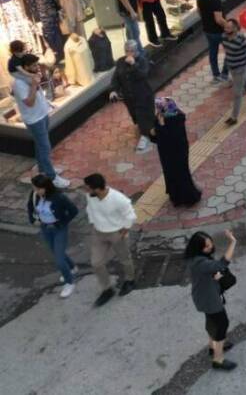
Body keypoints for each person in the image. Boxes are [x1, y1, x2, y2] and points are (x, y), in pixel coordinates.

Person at [185, 229, 238, 371]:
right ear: (198, 248)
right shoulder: (200, 262)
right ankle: (218, 359)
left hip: (203, 297)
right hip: (210, 299)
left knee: (212, 322)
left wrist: (213, 278)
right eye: (207, 246)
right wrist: (233, 242)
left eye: (210, 243)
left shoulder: (195, 258)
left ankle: (212, 346)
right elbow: (222, 264)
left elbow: (206, 273)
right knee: (221, 325)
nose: (211, 247)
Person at [11, 55, 68, 188]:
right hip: (34, 120)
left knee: (40, 146)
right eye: (34, 65)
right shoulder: (19, 83)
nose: (37, 67)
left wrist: (48, 106)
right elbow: (29, 102)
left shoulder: (32, 77)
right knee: (45, 148)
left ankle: (43, 169)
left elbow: (39, 95)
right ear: (24, 67)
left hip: (42, 115)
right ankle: (51, 177)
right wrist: (34, 85)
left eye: (37, 64)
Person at [83, 173, 137, 307]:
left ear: (97, 189)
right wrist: (93, 222)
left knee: (124, 258)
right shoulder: (90, 196)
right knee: (96, 263)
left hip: (116, 233)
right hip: (98, 233)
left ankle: (130, 280)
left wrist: (124, 230)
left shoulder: (118, 199)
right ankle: (107, 289)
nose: (86, 190)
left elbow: (130, 215)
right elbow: (90, 209)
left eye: (88, 188)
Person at [27, 174, 79, 298]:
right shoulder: (35, 194)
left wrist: (62, 222)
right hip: (45, 228)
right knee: (56, 252)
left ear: (46, 187)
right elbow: (30, 207)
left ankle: (69, 282)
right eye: (34, 188)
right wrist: (32, 220)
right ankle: (72, 267)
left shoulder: (59, 197)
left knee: (59, 259)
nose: (36, 191)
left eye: (38, 188)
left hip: (59, 229)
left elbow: (74, 211)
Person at [152, 97, 202, 207]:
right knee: (173, 174)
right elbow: (157, 138)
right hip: (169, 153)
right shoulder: (162, 116)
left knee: (180, 174)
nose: (156, 110)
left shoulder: (175, 119)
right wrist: (154, 131)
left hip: (176, 152)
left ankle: (188, 198)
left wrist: (160, 128)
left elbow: (169, 137)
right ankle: (177, 197)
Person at [110, 40, 156, 153]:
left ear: (136, 51)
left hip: (142, 95)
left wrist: (133, 65)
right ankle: (146, 128)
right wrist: (113, 90)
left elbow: (143, 75)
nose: (129, 53)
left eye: (131, 51)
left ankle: (145, 136)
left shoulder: (142, 61)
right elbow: (116, 77)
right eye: (127, 51)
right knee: (135, 115)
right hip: (129, 97)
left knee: (142, 115)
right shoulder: (120, 62)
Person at [220, 18, 246, 126]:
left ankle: (234, 117)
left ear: (235, 28)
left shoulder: (242, 39)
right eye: (225, 27)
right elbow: (227, 50)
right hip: (232, 68)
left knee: (237, 93)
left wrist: (241, 59)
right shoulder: (224, 37)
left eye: (229, 28)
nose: (226, 29)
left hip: (241, 68)